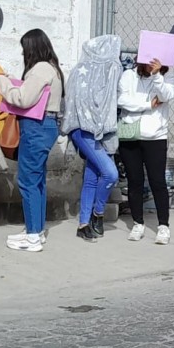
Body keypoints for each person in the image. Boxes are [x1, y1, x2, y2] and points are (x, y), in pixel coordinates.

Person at [0, 29, 64, 252]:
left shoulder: (40, 69)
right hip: (45, 125)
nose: (23, 53)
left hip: (37, 126)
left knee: (27, 181)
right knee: (37, 180)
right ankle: (36, 230)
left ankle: (33, 236)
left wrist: (2, 83)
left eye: (25, 48)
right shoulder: (52, 68)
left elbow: (23, 98)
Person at [62, 35, 122, 243]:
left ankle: (83, 224)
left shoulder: (95, 71)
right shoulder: (96, 70)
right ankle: (97, 214)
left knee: (92, 176)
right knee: (110, 173)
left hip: (98, 130)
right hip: (82, 129)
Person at [118, 56, 174, 245]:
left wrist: (157, 74)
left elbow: (166, 95)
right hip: (131, 134)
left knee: (157, 181)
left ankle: (163, 226)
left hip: (155, 137)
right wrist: (146, 105)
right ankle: (138, 223)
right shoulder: (128, 75)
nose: (151, 63)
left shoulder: (167, 76)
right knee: (134, 181)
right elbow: (122, 100)